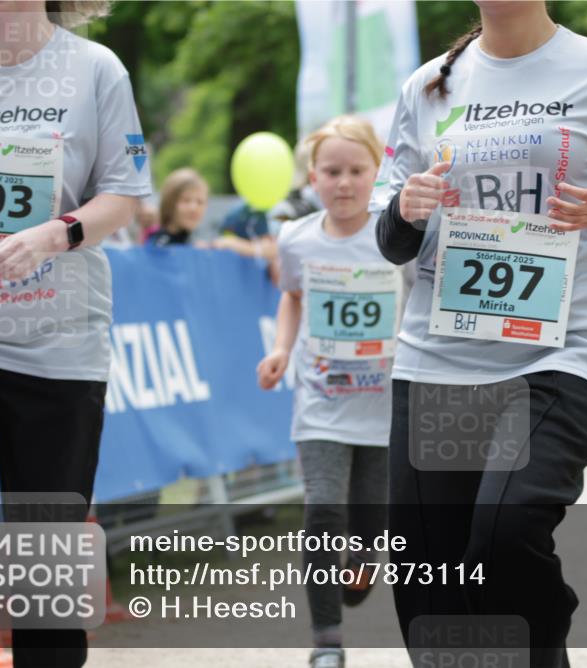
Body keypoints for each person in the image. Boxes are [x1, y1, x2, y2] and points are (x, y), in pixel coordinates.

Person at [372, 2, 587, 665]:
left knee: (505, 535)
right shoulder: (427, 87)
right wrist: (407, 208)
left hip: (563, 352)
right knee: (430, 586)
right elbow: (390, 239)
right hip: (437, 359)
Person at [0, 2, 151, 667]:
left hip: (58, 345)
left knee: (41, 556)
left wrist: (55, 234)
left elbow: (125, 194)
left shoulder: (96, 69)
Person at [256, 116, 396, 668]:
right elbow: (292, 296)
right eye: (332, 171)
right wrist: (281, 349)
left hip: (383, 408)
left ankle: (358, 570)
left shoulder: (394, 237)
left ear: (376, 172)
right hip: (320, 402)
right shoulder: (297, 238)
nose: (344, 182)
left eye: (357, 170)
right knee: (321, 511)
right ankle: (327, 643)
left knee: (367, 529)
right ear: (313, 177)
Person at [146, 167, 208, 247]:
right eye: (186, 200)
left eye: (200, 202)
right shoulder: (159, 245)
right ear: (169, 203)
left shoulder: (195, 242)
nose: (193, 208)